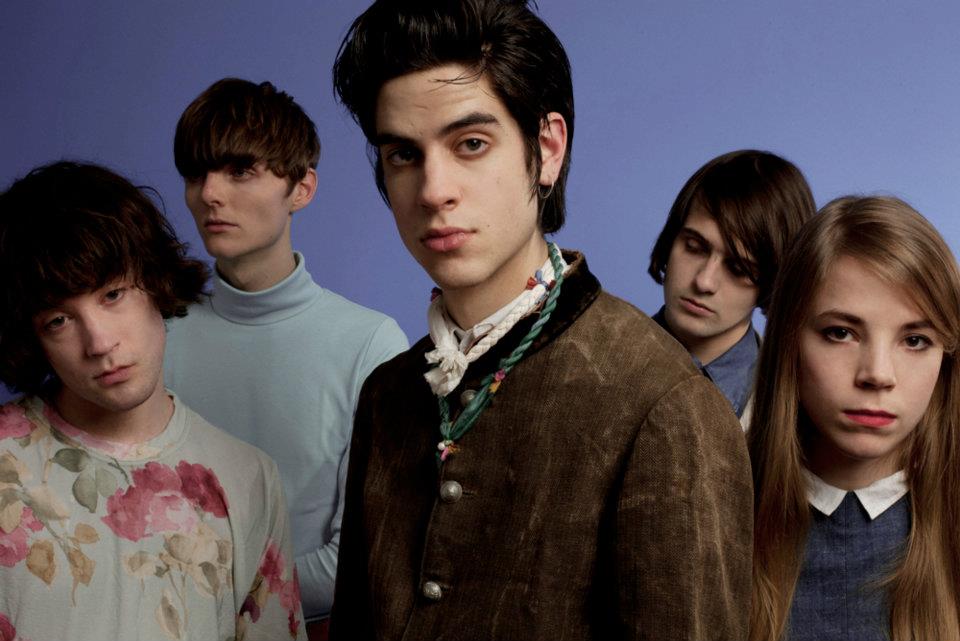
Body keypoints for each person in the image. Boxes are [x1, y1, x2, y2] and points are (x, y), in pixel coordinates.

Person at [329, 1, 752, 639]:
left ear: (547, 149)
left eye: (471, 144)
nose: (434, 190)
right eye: (403, 155)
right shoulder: (388, 394)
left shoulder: (662, 403)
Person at [0, 161, 304, 640]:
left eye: (113, 295)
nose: (99, 343)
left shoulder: (248, 477)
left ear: (155, 281)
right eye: (59, 321)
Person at [163, 78, 408, 632]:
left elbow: (360, 555)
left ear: (301, 188)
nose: (210, 194)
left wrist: (210, 597)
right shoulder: (157, 336)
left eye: (239, 171)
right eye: (196, 174)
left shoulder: (370, 344)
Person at [748, 196, 960, 640]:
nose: (878, 374)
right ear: (788, 341)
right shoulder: (715, 510)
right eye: (841, 333)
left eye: (915, 340)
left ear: (947, 357)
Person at [648, 149, 815, 422]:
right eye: (694, 247)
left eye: (739, 269)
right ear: (671, 240)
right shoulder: (596, 352)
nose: (704, 281)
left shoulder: (800, 411)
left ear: (774, 280)